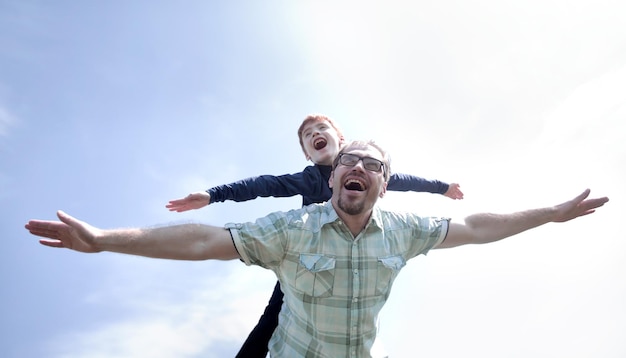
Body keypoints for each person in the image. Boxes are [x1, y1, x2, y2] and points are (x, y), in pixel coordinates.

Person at [26, 140, 608, 358]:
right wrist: (105, 241)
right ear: (330, 178)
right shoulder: (292, 228)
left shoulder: (404, 229)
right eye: (348, 160)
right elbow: (206, 240)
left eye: (372, 165)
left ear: (384, 183)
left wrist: (551, 214)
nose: (357, 167)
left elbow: (479, 226)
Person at [165, 114, 464, 357]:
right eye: (308, 135)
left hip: (357, 257)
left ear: (341, 140)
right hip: (309, 264)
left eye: (322, 128)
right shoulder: (309, 178)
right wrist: (212, 195)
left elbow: (407, 181)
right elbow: (263, 185)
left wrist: (443, 187)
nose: (315, 133)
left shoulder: (366, 168)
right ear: (308, 153)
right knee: (272, 318)